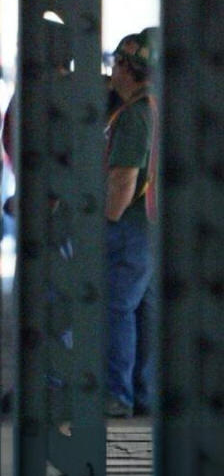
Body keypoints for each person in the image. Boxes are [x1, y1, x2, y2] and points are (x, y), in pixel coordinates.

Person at [104, 28, 158, 418]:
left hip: (131, 226)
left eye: (117, 63)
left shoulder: (135, 116)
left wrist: (104, 220)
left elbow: (123, 179)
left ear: (127, 67)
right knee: (145, 308)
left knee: (116, 306)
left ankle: (116, 394)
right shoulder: (158, 109)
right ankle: (144, 393)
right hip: (154, 224)